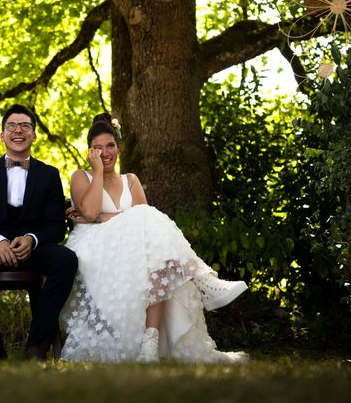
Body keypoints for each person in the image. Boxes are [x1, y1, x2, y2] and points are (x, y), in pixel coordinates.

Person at [60, 113, 248, 363]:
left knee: (157, 254)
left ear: (118, 146)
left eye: (110, 146)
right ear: (90, 151)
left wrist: (102, 217)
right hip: (93, 246)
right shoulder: (81, 177)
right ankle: (203, 278)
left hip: (129, 248)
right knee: (146, 219)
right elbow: (93, 211)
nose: (105, 153)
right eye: (98, 148)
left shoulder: (131, 180)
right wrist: (96, 175)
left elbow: (145, 226)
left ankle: (150, 342)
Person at [0, 104, 78, 361]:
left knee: (66, 260)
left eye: (25, 126)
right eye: (11, 126)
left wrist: (33, 239)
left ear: (34, 135)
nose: (18, 130)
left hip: (34, 250)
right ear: (2, 135)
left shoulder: (50, 174)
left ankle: (37, 345)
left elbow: (56, 226)